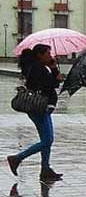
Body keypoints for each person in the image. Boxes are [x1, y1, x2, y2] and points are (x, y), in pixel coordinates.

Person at [7, 44, 63, 182]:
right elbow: (49, 85)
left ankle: (45, 169)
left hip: (42, 108)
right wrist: (55, 72)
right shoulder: (37, 68)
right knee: (47, 140)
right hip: (39, 108)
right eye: (47, 54)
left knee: (47, 139)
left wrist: (53, 70)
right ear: (39, 55)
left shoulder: (36, 66)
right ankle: (16, 158)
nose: (50, 56)